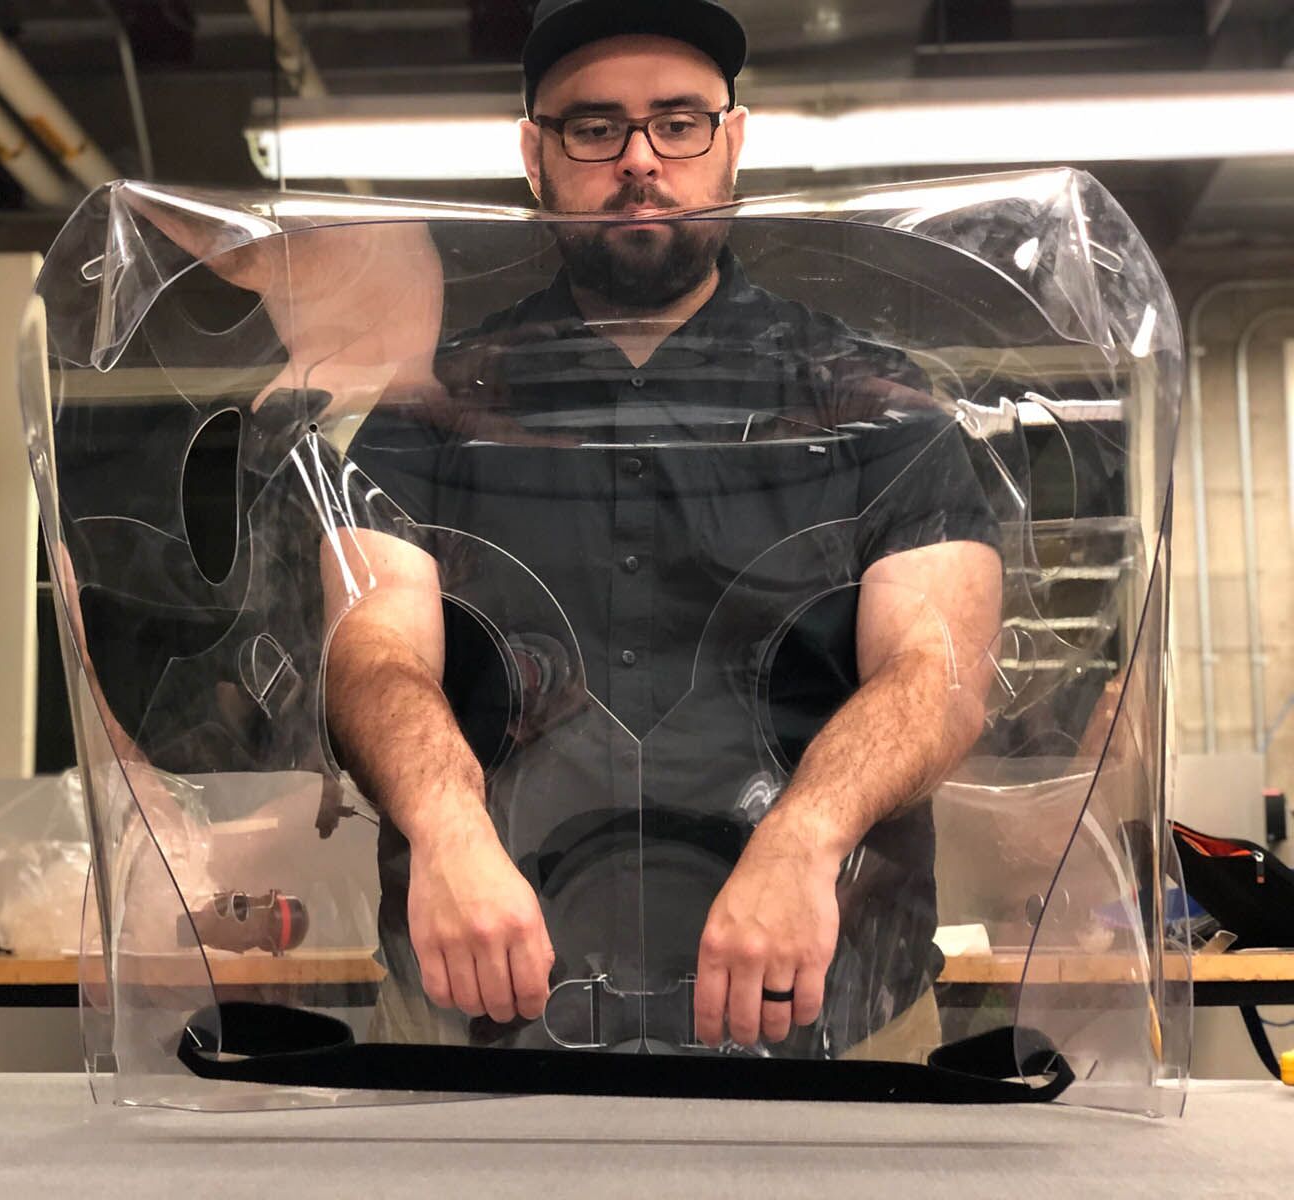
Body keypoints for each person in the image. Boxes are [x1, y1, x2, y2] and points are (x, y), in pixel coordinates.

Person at [324, 0, 1004, 1059]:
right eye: (593, 127)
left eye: (678, 122)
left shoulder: (874, 404)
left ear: (732, 140)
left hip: (831, 1006)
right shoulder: (429, 413)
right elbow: (369, 654)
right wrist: (446, 826)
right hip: (485, 1013)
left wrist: (805, 835)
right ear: (534, 156)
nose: (639, 160)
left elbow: (939, 669)